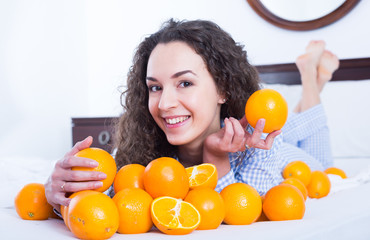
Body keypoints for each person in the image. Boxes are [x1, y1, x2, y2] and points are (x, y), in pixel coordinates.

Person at [45, 19, 338, 211]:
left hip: (287, 153)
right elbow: (107, 202)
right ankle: (316, 79)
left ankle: (311, 79)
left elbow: (238, 213)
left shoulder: (257, 147)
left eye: (184, 83)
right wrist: (59, 195)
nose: (164, 104)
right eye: (155, 87)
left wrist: (216, 156)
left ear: (222, 89)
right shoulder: (138, 150)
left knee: (322, 161)